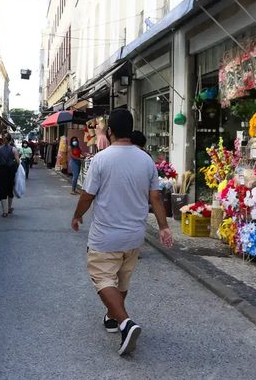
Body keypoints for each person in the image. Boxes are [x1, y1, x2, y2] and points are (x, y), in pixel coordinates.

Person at [71, 109, 173, 356]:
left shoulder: (102, 159)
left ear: (110, 131)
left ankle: (126, 323)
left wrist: (77, 215)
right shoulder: (146, 159)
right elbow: (156, 196)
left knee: (103, 277)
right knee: (122, 279)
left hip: (106, 235)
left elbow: (88, 194)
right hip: (134, 236)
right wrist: (163, 227)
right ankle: (111, 317)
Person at [0, 134, 20, 217]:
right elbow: (17, 161)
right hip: (10, 171)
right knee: (10, 189)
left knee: (2, 189)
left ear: (3, 140)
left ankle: (4, 211)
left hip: (1, 171)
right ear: (10, 140)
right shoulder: (14, 149)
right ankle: (9, 208)